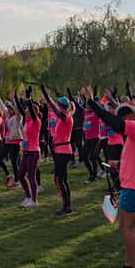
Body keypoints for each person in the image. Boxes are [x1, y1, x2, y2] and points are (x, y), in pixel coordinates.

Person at [82, 85, 135, 268]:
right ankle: (129, 266)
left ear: (128, 120)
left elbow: (113, 122)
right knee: (125, 227)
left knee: (128, 229)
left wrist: (92, 104)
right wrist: (120, 164)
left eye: (124, 121)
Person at [42, 85, 75, 216]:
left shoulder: (66, 117)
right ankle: (66, 205)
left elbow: (55, 110)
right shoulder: (64, 116)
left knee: (61, 179)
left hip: (63, 151)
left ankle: (67, 207)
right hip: (60, 150)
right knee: (60, 179)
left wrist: (47, 96)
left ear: (62, 106)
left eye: (58, 105)